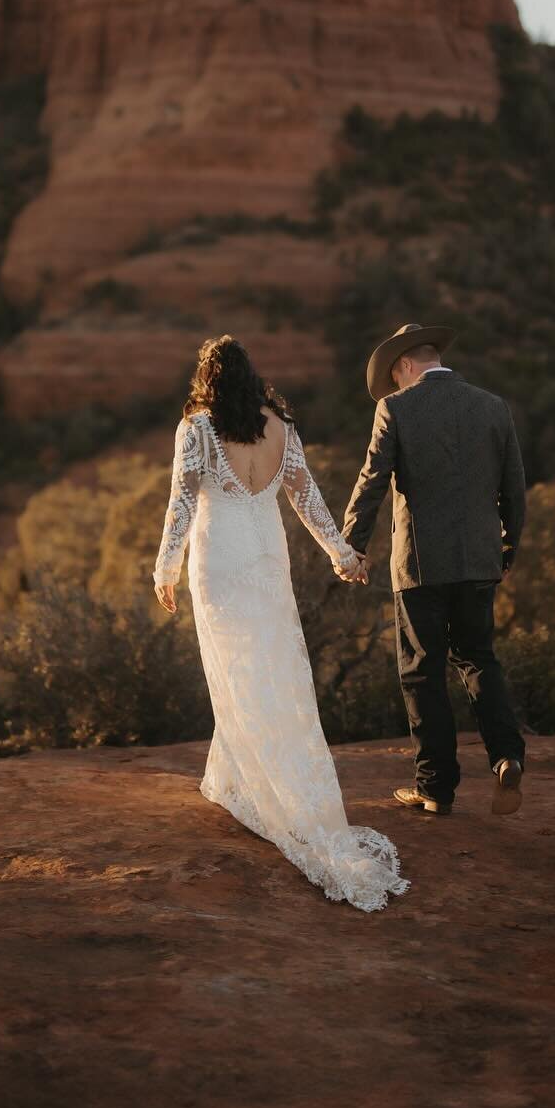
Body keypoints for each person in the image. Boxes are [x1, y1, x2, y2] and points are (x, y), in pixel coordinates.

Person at [152, 334, 408, 911]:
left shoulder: (196, 428)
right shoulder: (279, 426)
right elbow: (307, 498)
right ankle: (234, 773)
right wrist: (341, 553)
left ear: (206, 379)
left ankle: (256, 786)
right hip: (267, 555)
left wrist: (165, 568)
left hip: (218, 559)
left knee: (235, 669)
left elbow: (182, 503)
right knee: (273, 666)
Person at [343, 322, 527, 817]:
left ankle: (435, 788)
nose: (395, 384)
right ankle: (507, 756)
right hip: (480, 558)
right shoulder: (492, 406)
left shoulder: (396, 408)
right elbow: (515, 487)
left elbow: (372, 479)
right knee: (478, 659)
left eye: (394, 376)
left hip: (420, 565)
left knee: (422, 671)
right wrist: (508, 546)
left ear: (404, 365)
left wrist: (352, 547)